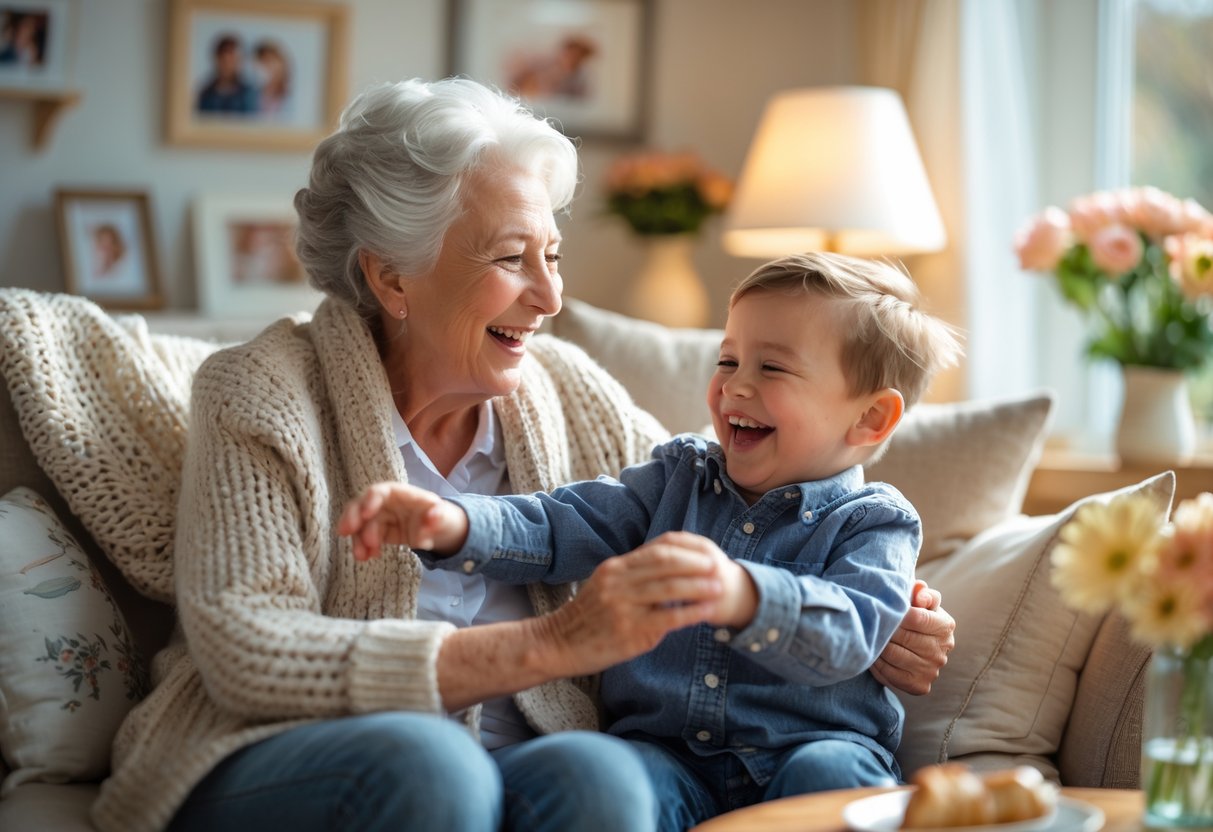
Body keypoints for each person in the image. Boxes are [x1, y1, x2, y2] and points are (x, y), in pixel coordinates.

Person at [90, 78, 955, 832]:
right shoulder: (261, 392)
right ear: (393, 277)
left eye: (552, 254)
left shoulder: (564, 387)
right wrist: (543, 644)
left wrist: (884, 623)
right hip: (277, 755)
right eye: (513, 260)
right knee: (436, 765)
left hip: (532, 757)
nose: (551, 297)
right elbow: (249, 651)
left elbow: (725, 521)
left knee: (602, 777)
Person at [341, 252, 963, 830]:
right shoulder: (677, 478)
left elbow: (851, 632)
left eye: (771, 367)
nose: (735, 387)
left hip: (808, 753)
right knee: (601, 773)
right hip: (664, 759)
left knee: (834, 776)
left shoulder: (876, 522)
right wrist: (456, 524)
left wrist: (744, 593)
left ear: (870, 418)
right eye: (727, 360)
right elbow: (564, 523)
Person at [196, 33, 257, 114]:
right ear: (217, 59)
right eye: (224, 61)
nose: (228, 66)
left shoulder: (250, 94)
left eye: (233, 61)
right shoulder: (206, 94)